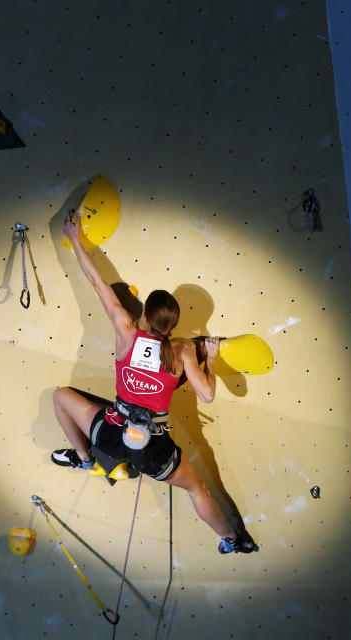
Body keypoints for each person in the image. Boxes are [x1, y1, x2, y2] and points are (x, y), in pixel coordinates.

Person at [49, 210, 256, 554]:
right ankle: (233, 541)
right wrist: (213, 359)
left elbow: (97, 284)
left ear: (143, 314)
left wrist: (74, 236)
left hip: (114, 433)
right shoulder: (183, 350)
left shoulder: (126, 332)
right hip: (153, 450)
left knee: (60, 397)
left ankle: (86, 458)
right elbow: (206, 395)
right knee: (197, 490)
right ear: (173, 324)